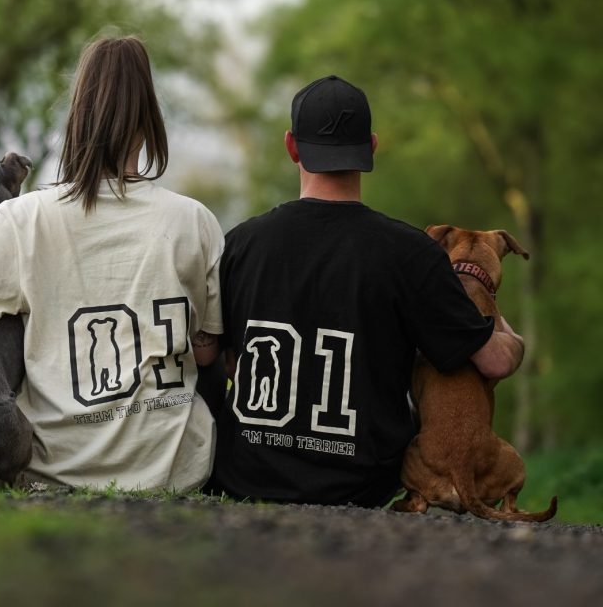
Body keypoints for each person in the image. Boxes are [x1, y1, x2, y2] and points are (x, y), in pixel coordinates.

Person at [0, 35, 223, 492]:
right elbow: (207, 352)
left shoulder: (25, 217)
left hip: (56, 473)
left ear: (77, 118)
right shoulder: (194, 220)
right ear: (150, 123)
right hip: (173, 473)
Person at [208, 74, 524, 507]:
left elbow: (221, 361)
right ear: (371, 147)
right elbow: (493, 361)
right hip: (359, 484)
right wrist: (512, 338)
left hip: (247, 476)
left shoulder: (241, 244)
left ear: (292, 147)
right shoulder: (411, 254)